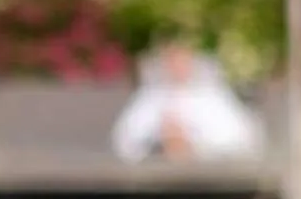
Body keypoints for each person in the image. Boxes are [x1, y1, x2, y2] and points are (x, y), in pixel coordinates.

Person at [109, 40, 265, 164]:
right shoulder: (150, 97)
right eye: (172, 61)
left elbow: (239, 139)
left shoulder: (212, 96)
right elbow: (125, 141)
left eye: (183, 61)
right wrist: (162, 138)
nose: (177, 67)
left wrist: (191, 142)